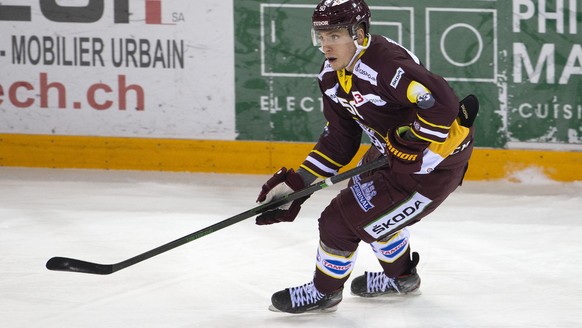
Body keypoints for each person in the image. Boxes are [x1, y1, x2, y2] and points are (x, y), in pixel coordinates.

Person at [255, 0, 478, 314]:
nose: (325, 46)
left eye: (334, 36)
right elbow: (339, 142)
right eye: (321, 37)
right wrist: (298, 185)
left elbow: (442, 104)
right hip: (389, 157)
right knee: (366, 205)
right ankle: (402, 278)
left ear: (358, 34)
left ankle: (324, 293)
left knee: (339, 221)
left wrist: (411, 141)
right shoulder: (331, 78)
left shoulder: (385, 65)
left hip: (430, 169)